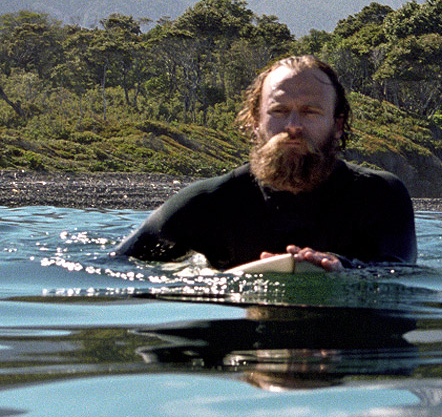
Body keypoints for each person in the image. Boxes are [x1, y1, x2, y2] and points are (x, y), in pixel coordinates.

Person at [115, 55, 417, 271]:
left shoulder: (381, 197)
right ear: (255, 122)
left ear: (337, 125)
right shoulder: (206, 204)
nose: (293, 126)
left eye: (310, 112)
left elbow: (399, 273)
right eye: (279, 111)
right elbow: (114, 269)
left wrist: (346, 268)